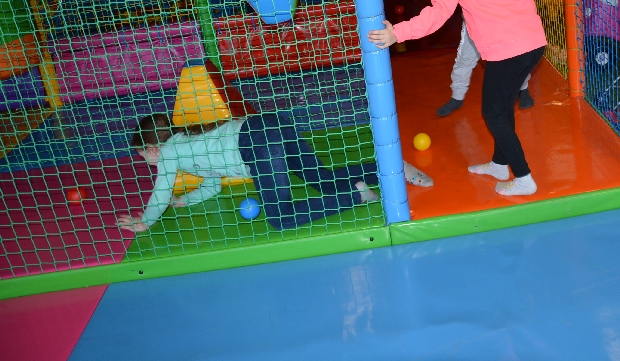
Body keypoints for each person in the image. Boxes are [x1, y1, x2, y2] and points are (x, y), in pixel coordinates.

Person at [368, 0, 547, 197]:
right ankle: (499, 164)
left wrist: (398, 32)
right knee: (503, 106)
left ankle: (524, 178)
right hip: (532, 40)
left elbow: (438, 13)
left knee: (494, 113)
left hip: (507, 48)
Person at [117, 113, 433, 233]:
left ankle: (356, 195)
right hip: (269, 124)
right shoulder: (187, 144)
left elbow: (161, 189)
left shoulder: (169, 153)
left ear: (153, 149)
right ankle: (389, 167)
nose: (147, 161)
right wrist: (187, 200)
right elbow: (213, 183)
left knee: (281, 218)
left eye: (143, 155)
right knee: (323, 180)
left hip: (257, 141)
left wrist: (145, 221)